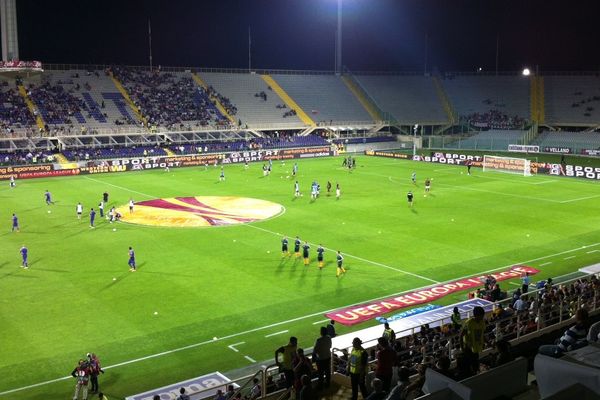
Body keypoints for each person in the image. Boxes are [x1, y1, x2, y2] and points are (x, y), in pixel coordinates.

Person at [460, 305, 486, 374]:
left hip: (476, 348)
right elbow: (461, 335)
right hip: (468, 348)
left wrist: (487, 342)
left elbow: (482, 334)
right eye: (482, 315)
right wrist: (462, 348)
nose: (483, 317)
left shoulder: (482, 322)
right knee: (469, 365)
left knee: (475, 363)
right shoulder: (469, 323)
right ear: (477, 315)